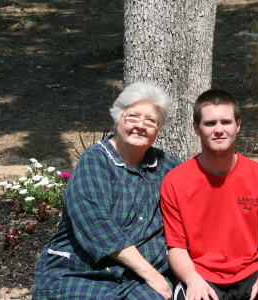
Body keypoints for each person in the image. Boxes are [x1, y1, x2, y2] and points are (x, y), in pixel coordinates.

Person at [32, 81, 181, 300]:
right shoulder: (95, 160)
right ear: (118, 117)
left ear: (158, 128)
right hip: (83, 270)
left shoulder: (168, 167)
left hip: (137, 281)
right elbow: (96, 223)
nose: (141, 125)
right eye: (132, 116)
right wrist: (151, 274)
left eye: (150, 120)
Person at [160, 89, 258, 300]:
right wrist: (192, 280)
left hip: (251, 274)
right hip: (200, 275)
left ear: (238, 125)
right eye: (210, 123)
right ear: (196, 128)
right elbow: (176, 247)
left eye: (226, 122)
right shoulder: (175, 181)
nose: (219, 130)